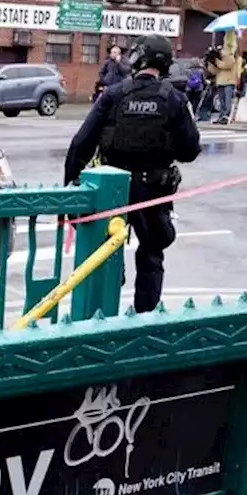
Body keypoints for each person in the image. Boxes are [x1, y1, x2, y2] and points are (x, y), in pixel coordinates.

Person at [65, 34, 200, 314]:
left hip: (112, 191)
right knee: (151, 256)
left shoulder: (113, 95)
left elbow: (81, 143)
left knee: (106, 252)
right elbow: (190, 150)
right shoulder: (174, 99)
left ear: (138, 57)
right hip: (154, 191)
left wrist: (71, 187)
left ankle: (103, 318)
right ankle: (145, 322)